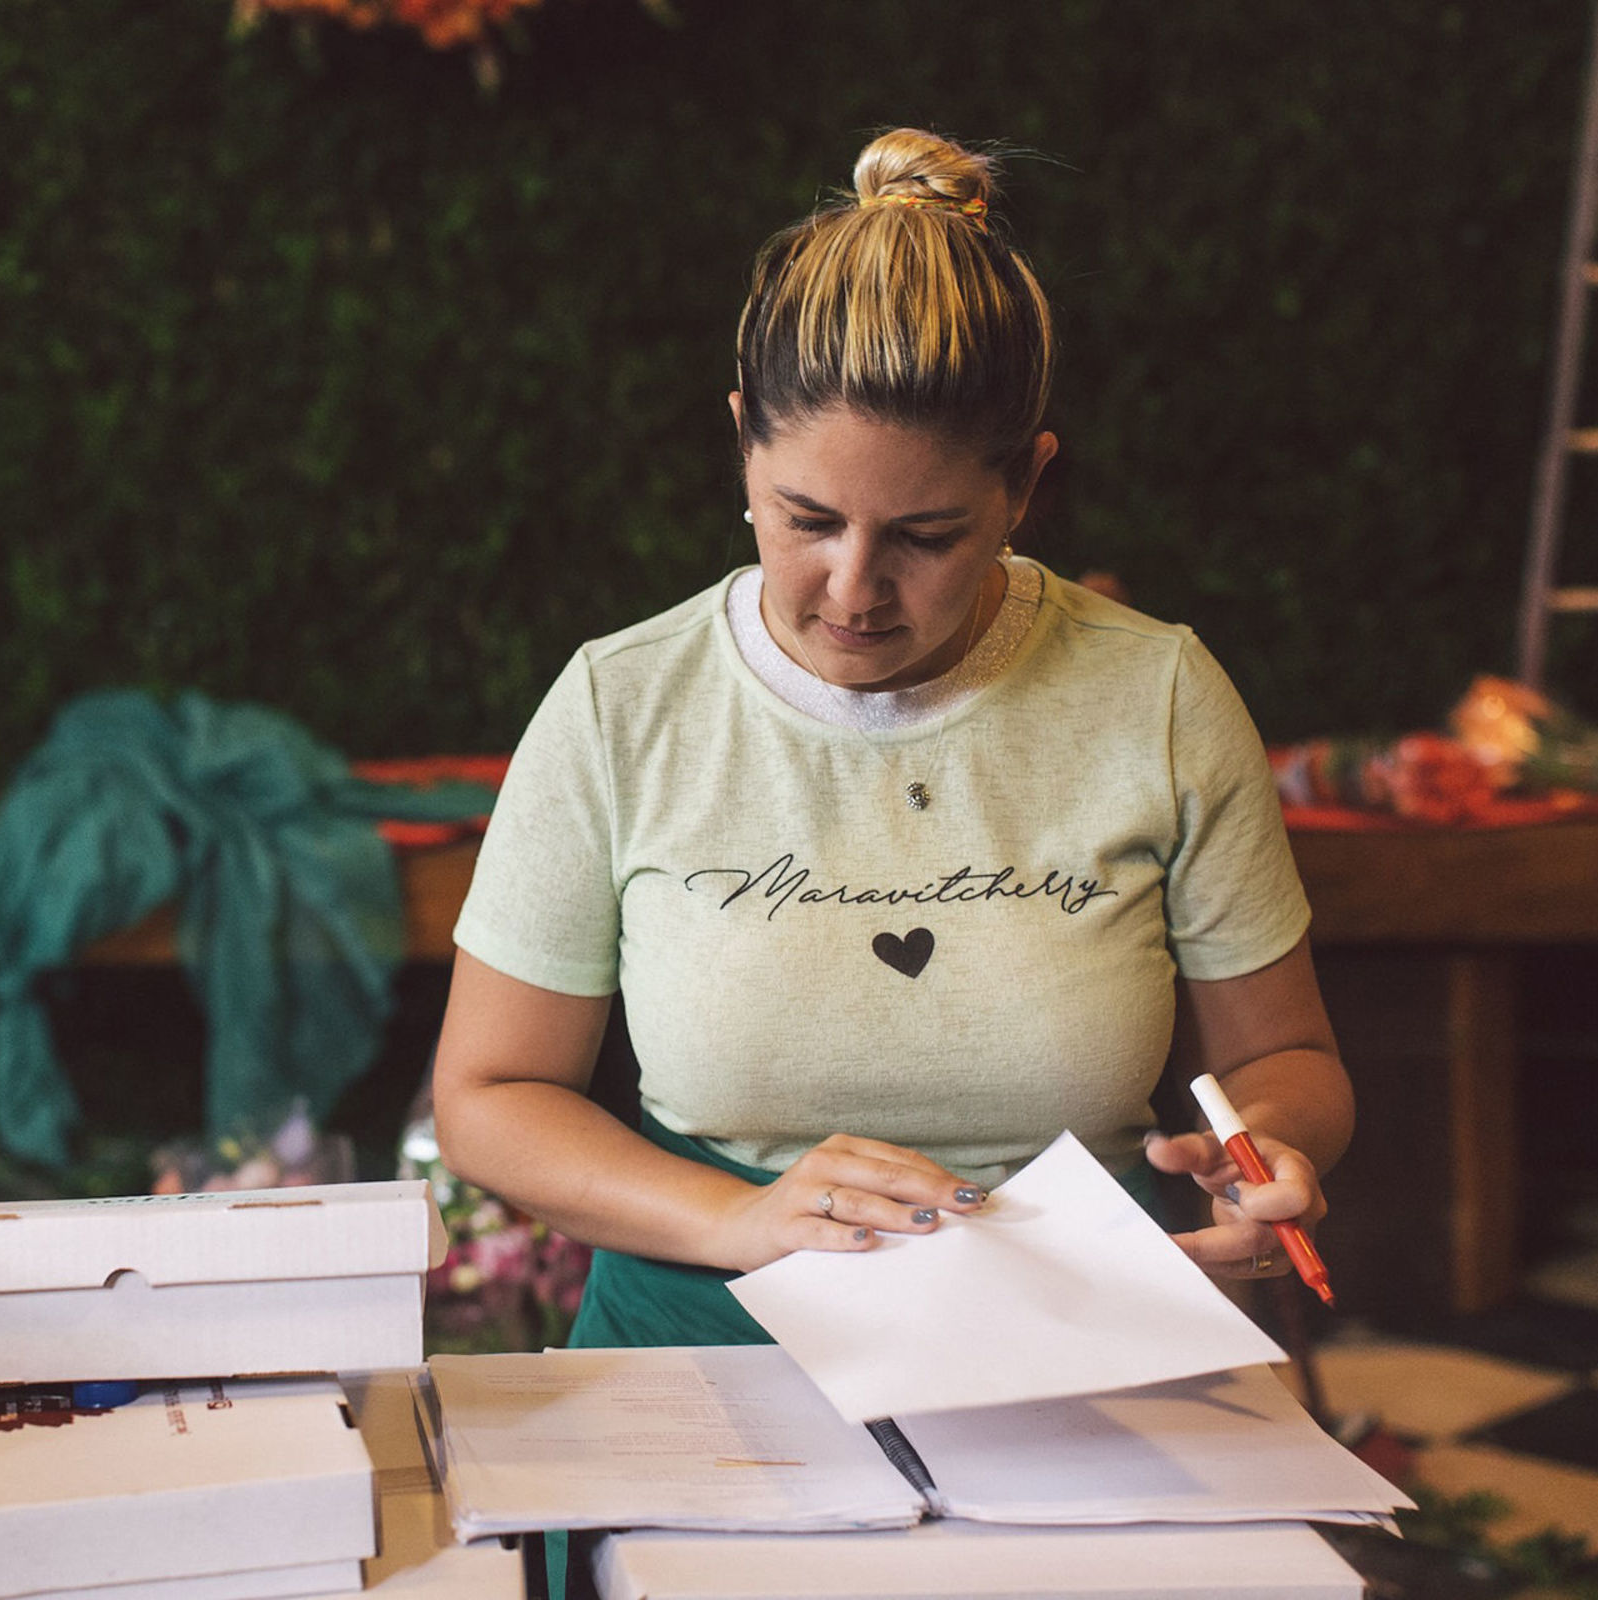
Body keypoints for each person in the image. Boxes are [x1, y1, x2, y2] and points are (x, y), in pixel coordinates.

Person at [433, 128, 1354, 1358]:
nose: (852, 589)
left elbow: (1287, 1058)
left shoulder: (1158, 694)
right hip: (707, 1334)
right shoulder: (624, 705)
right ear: (742, 439)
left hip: (1093, 1335)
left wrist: (1268, 1147)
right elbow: (491, 1097)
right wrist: (744, 1218)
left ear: (1024, 487)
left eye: (926, 535)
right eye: (807, 519)